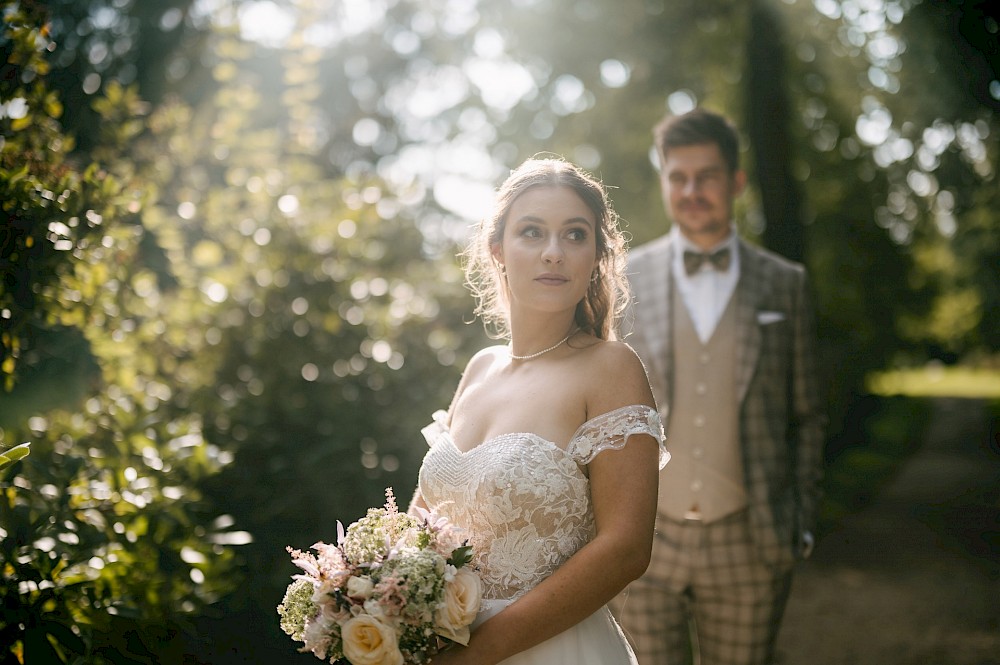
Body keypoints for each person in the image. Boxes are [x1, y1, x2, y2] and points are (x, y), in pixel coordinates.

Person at [409, 157, 669, 665]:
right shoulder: (479, 368)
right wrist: (373, 594)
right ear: (498, 250)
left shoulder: (610, 368)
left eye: (575, 235)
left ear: (597, 255)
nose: (555, 253)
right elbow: (422, 517)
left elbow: (626, 548)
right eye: (533, 232)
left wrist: (477, 654)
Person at [611, 108, 826, 665]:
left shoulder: (786, 283)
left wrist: (798, 520)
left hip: (750, 541)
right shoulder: (623, 281)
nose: (691, 190)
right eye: (677, 177)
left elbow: (807, 414)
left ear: (735, 181)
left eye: (705, 176)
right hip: (645, 539)